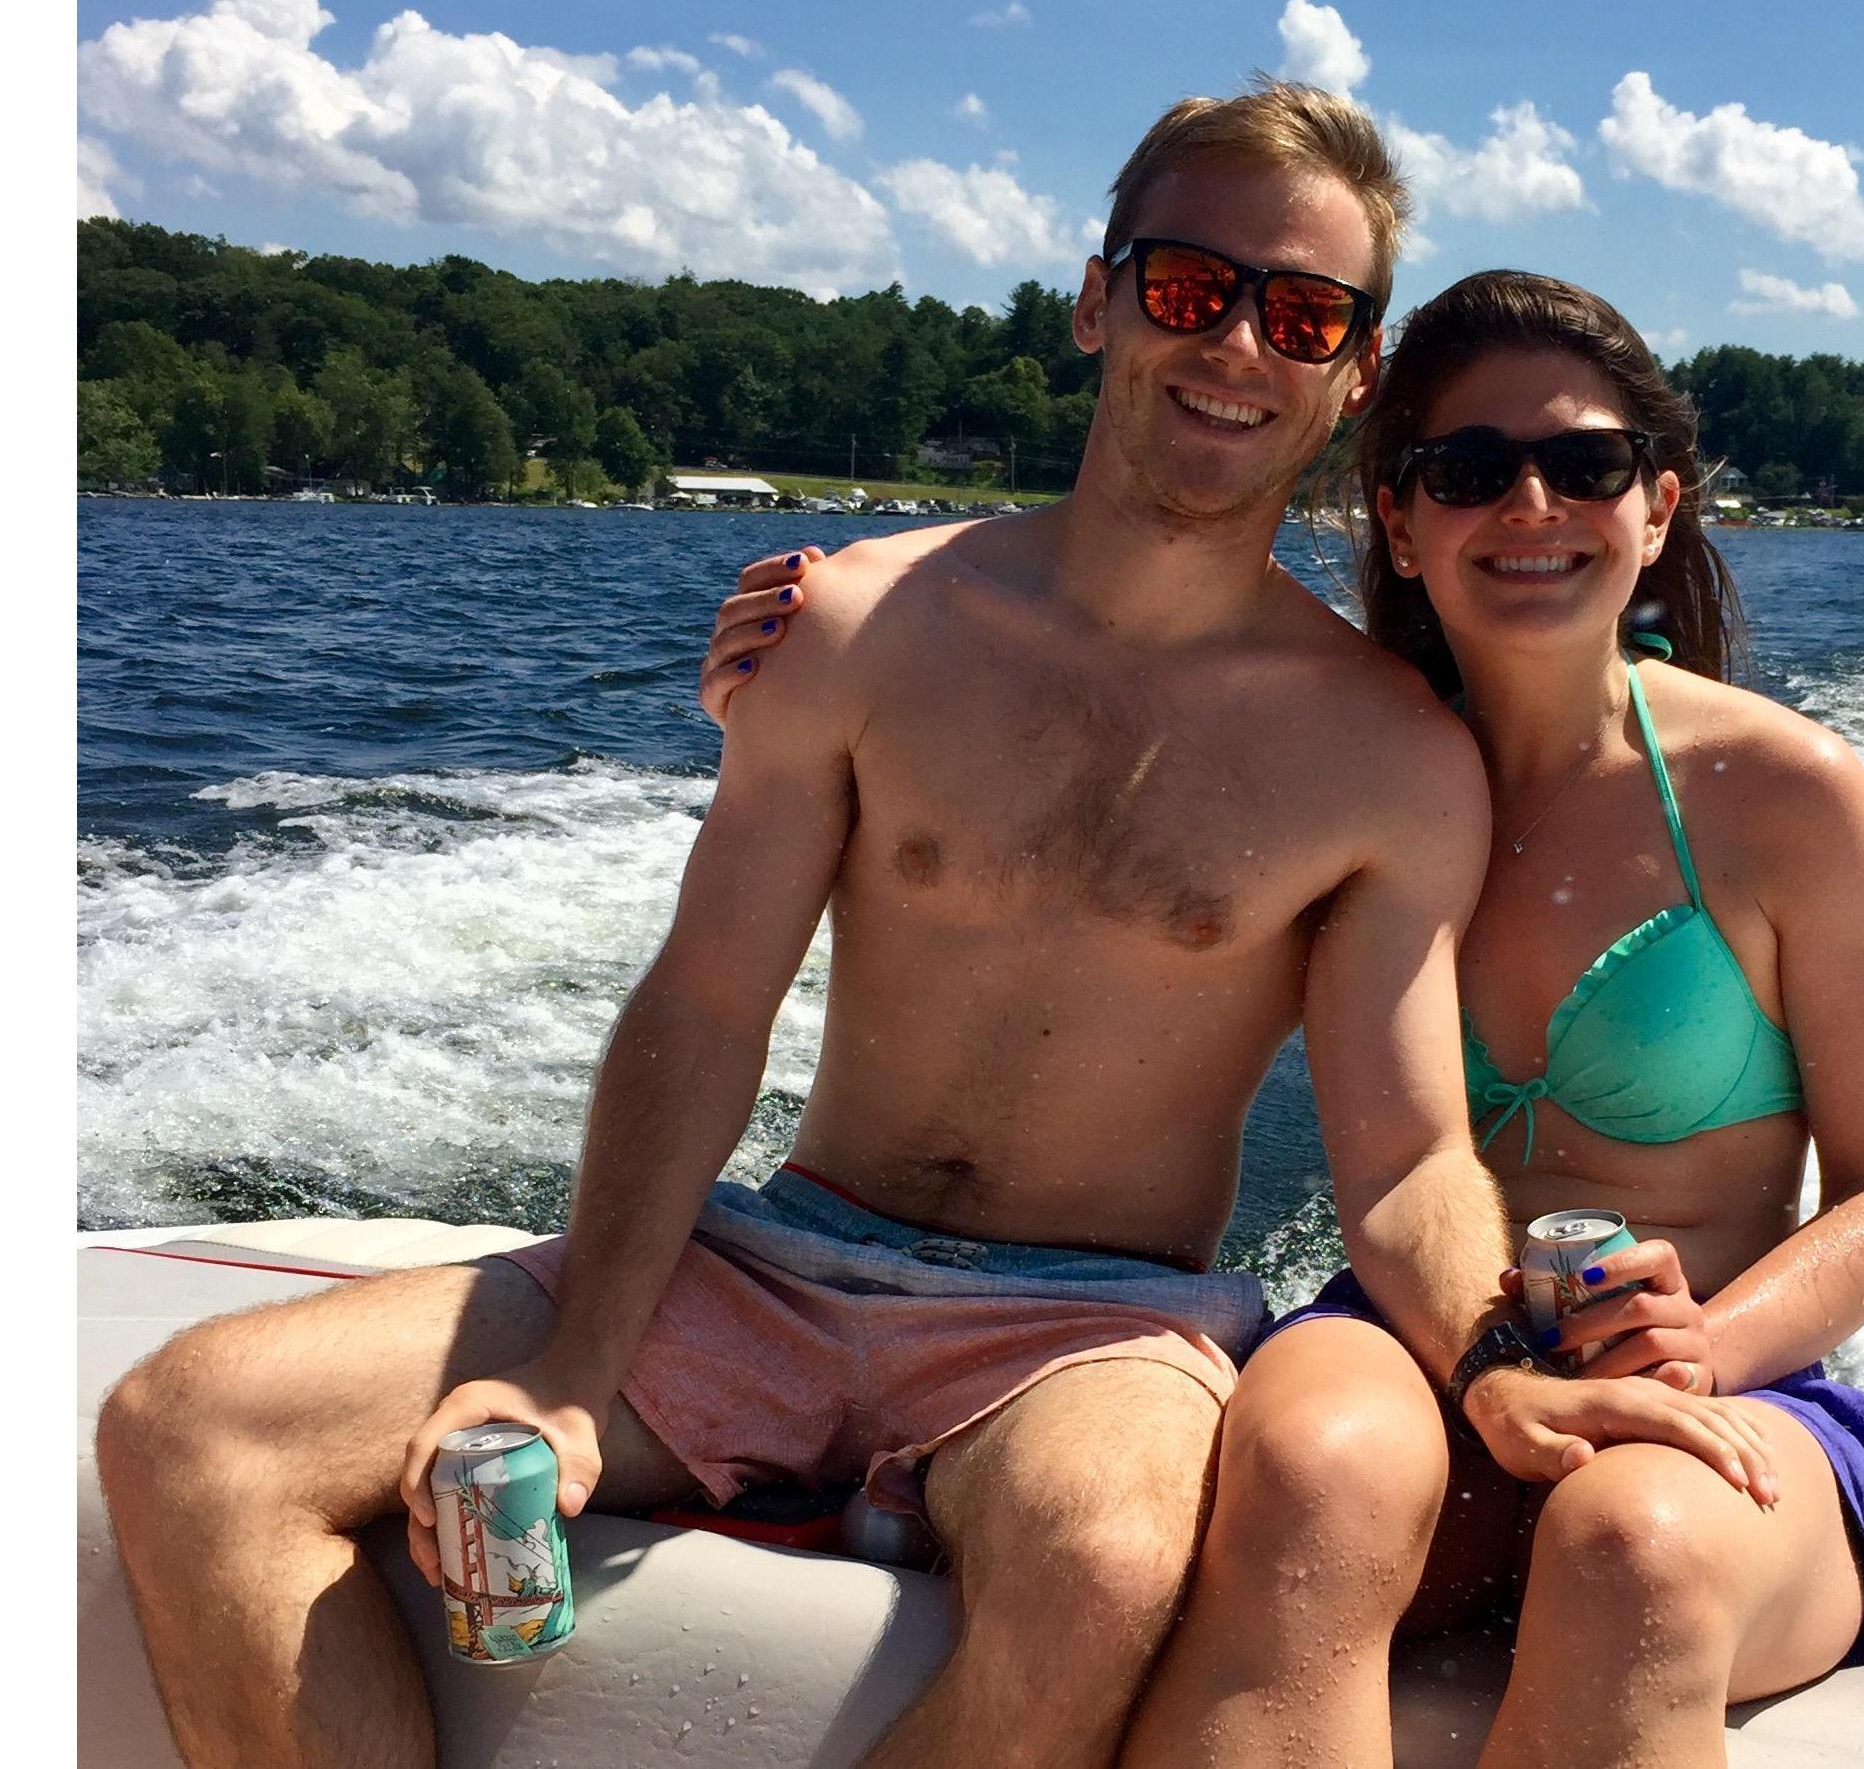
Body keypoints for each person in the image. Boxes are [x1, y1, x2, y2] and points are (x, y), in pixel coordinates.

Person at [95, 91, 1766, 1769]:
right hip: (773, 1260)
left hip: (1094, 1328)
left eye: (1304, 313)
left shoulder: (1388, 754)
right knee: (191, 1430)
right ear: (1097, 295)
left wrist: (1494, 1360)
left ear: (1352, 363)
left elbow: (1402, 1155)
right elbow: (703, 1007)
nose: (1242, 343)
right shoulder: (857, 625)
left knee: (1107, 1569)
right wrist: (573, 1368)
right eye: (1193, 286)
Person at [706, 268, 1864, 1769]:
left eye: (1586, 464)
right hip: (1424, 1334)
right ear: (1404, 524)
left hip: (1725, 1379)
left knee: (1634, 1553)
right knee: (1302, 1472)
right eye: (1469, 470)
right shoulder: (1328, 764)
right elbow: (1050, 817)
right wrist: (796, 699)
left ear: (1660, 503)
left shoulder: (1789, 794)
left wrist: (1708, 1348)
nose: (1531, 503)